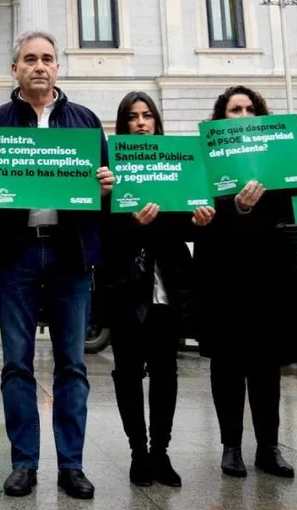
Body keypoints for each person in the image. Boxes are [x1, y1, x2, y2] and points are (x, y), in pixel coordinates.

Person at [0, 31, 114, 500]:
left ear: (58, 68)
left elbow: (105, 196)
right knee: (17, 363)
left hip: (70, 254)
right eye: (29, 59)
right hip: (17, 255)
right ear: (15, 69)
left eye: (47, 59)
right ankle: (23, 462)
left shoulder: (85, 122)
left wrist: (107, 185)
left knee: (72, 363)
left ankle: (71, 464)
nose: (39, 66)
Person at [99, 91, 214, 488]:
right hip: (125, 285)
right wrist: (128, 217)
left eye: (147, 115)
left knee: (166, 372)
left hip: (169, 285)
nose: (141, 122)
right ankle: (138, 452)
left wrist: (199, 221)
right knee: (128, 372)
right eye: (133, 117)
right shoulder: (110, 169)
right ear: (122, 123)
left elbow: (184, 223)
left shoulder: (176, 163)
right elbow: (100, 228)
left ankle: (161, 453)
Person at [193, 85, 297, 480]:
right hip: (222, 274)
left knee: (265, 366)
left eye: (248, 109)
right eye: (233, 110)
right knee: (227, 364)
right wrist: (235, 206)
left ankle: (269, 447)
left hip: (267, 273)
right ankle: (231, 446)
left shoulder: (280, 155)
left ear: (260, 116)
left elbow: (295, 204)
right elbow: (195, 207)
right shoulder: (205, 157)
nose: (241, 115)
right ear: (221, 118)